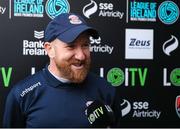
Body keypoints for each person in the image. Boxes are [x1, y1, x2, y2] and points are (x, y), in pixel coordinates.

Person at [3, 13, 116, 128]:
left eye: (85, 45)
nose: (81, 56)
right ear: (50, 49)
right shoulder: (22, 94)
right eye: (71, 46)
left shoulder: (106, 90)